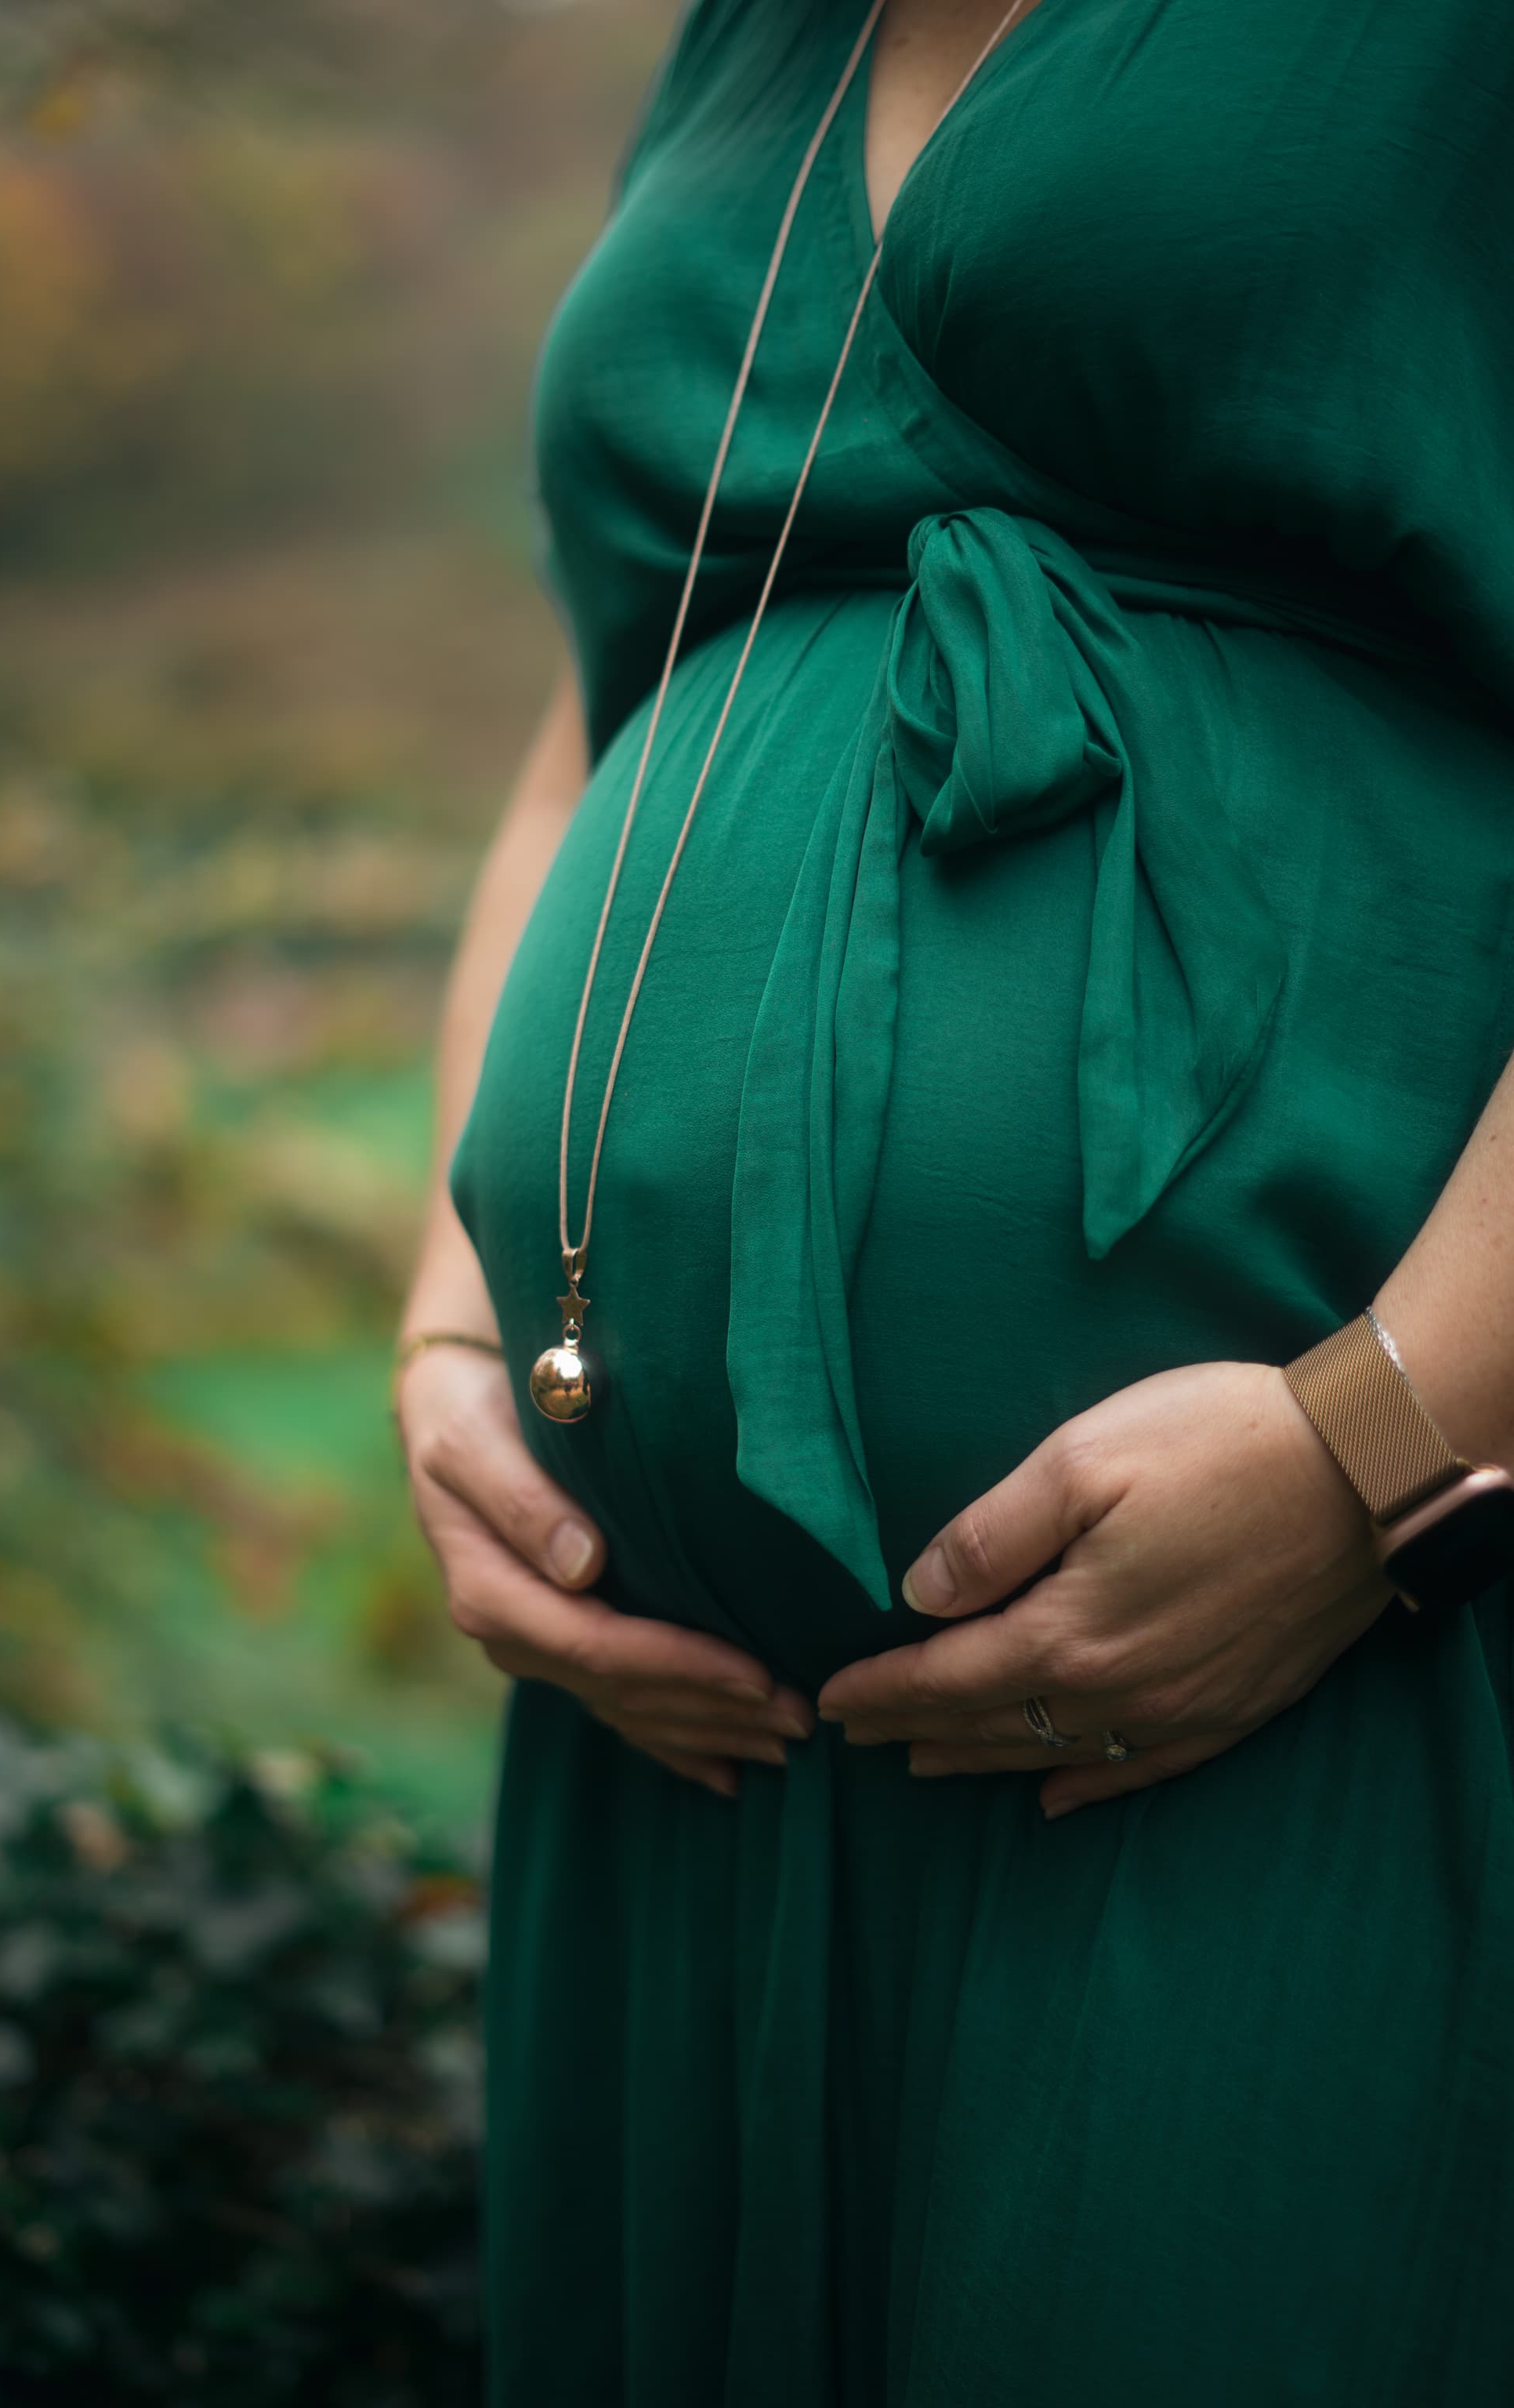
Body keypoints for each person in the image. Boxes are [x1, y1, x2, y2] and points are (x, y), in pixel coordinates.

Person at [397, 1, 1514, 2399]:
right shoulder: (751, 43)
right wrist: (449, 1316)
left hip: (1314, 1644)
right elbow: (613, 711)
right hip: (676, 1747)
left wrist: (1382, 1440)